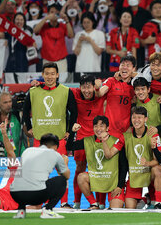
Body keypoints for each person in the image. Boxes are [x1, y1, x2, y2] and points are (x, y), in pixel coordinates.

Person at [23, 63, 77, 207]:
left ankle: (64, 202)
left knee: (62, 172)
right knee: (39, 173)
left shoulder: (66, 91)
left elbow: (74, 112)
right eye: (47, 73)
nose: (50, 76)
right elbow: (25, 109)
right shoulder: (33, 91)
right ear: (43, 75)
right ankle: (37, 202)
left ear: (58, 75)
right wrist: (29, 128)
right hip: (39, 139)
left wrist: (70, 132)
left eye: (53, 74)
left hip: (59, 139)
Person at [103, 106, 161, 209]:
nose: (136, 120)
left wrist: (147, 163)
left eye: (139, 117)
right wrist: (103, 140)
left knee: (158, 169)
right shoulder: (125, 136)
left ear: (145, 119)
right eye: (134, 117)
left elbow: (158, 161)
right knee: (129, 210)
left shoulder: (153, 134)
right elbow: (109, 155)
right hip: (134, 178)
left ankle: (158, 203)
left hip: (149, 174)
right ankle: (143, 200)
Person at [10, 133, 70, 219]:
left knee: (27, 178)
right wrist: (65, 163)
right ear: (56, 147)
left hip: (15, 194)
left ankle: (21, 211)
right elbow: (66, 176)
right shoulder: (55, 154)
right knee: (62, 180)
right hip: (36, 196)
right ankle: (48, 210)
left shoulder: (27, 151)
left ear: (41, 144)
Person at [72, 116, 126, 209]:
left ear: (107, 128)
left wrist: (119, 186)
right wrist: (73, 132)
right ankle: (94, 204)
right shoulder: (88, 140)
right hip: (97, 179)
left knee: (116, 210)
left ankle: (120, 199)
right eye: (96, 126)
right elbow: (70, 146)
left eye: (102, 126)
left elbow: (124, 165)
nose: (98, 129)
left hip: (113, 184)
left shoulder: (116, 141)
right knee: (81, 177)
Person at [69, 75, 106, 209]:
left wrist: (99, 84)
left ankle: (101, 204)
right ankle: (77, 202)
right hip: (81, 140)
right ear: (79, 87)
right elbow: (57, 88)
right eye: (83, 87)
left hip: (98, 139)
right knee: (79, 168)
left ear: (94, 87)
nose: (86, 90)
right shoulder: (75, 93)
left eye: (89, 87)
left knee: (99, 170)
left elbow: (112, 83)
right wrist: (38, 82)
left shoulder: (100, 95)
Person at [95, 55, 135, 138]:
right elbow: (100, 93)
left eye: (128, 65)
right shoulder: (111, 81)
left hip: (126, 133)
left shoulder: (135, 85)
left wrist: (133, 75)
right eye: (122, 65)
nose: (125, 68)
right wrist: (97, 88)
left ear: (133, 68)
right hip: (110, 132)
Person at [33, 3, 74, 72]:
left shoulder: (62, 25)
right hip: (47, 61)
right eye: (52, 12)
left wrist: (67, 20)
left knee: (62, 81)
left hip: (61, 61)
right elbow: (35, 31)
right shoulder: (44, 26)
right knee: (48, 82)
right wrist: (45, 18)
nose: (53, 14)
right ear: (48, 13)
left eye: (56, 12)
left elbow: (70, 35)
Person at [0, 92, 25, 157]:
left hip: (17, 157)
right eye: (5, 102)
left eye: (10, 102)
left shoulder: (18, 115)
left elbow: (28, 133)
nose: (9, 105)